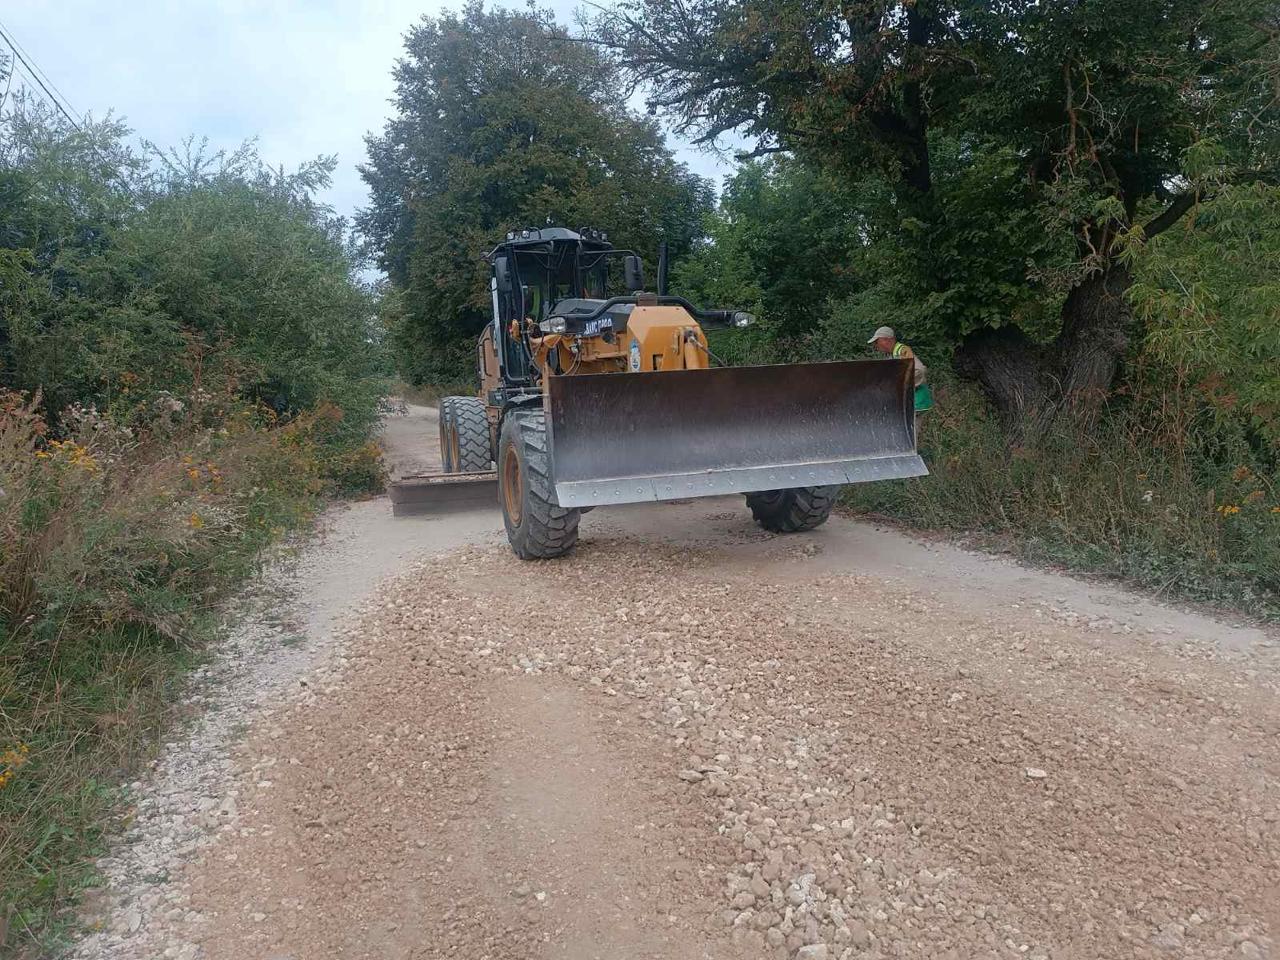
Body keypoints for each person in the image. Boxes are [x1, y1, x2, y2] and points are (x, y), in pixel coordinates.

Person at [868, 325, 934, 431]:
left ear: (888, 340)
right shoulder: (894, 354)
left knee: (909, 438)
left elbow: (919, 370)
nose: (876, 346)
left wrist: (902, 385)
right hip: (910, 403)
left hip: (916, 401)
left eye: (877, 342)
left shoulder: (902, 351)